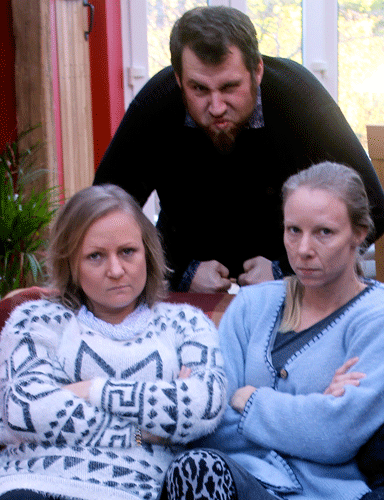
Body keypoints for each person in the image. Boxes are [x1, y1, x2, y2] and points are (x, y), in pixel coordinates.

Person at [93, 6, 384, 294]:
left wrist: (288, 269)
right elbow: (102, 213)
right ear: (179, 79)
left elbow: (373, 208)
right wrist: (177, 271)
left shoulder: (299, 97)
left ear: (257, 70)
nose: (216, 107)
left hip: (296, 282)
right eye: (199, 89)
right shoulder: (154, 106)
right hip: (188, 283)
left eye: (229, 87)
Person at [161, 162, 384, 500]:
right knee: (195, 467)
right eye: (293, 230)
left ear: (358, 233)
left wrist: (248, 399)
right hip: (235, 482)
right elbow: (205, 422)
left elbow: (334, 436)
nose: (304, 249)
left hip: (323, 494)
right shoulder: (252, 304)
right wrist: (314, 408)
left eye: (324, 232)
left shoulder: (376, 317)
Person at [0, 184, 227, 500]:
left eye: (127, 252)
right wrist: (144, 434)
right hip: (29, 483)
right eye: (95, 256)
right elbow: (23, 410)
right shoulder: (37, 318)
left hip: (128, 490)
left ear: (147, 252)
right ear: (71, 264)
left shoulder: (184, 324)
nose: (116, 270)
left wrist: (88, 390)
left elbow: (203, 407)